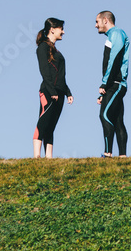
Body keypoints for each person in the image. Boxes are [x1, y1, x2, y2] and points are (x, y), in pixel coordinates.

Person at [33, 17, 73, 158]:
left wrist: (68, 92)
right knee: (43, 121)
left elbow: (61, 75)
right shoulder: (43, 47)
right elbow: (44, 71)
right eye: (61, 28)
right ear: (52, 29)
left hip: (59, 93)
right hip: (49, 92)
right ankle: (36, 156)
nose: (63, 31)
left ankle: (49, 157)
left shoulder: (56, 51)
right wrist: (52, 91)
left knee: (51, 125)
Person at [96, 10, 129, 157]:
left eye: (97, 22)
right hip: (114, 84)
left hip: (115, 84)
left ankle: (108, 154)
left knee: (104, 115)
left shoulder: (116, 33)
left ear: (105, 20)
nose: (96, 25)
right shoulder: (112, 35)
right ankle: (123, 157)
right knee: (117, 120)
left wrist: (104, 84)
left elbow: (114, 60)